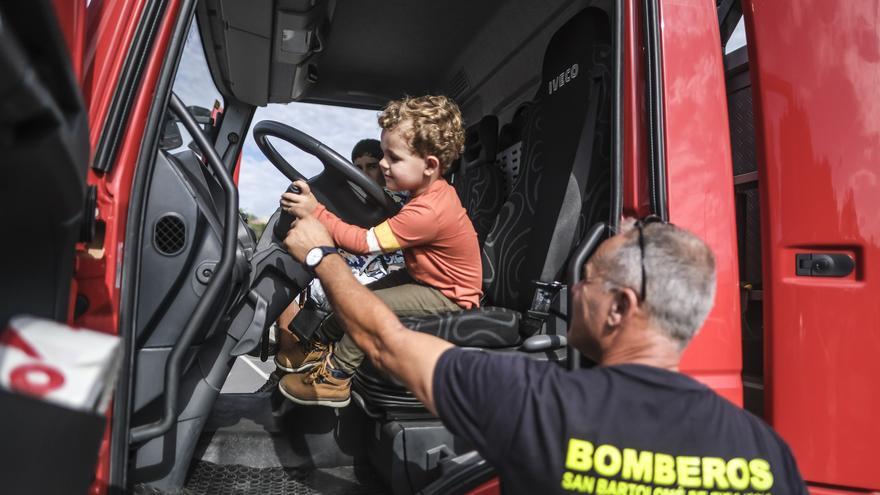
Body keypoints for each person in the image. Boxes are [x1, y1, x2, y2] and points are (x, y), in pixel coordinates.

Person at [281, 214, 808, 494]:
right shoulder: (765, 453)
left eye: (587, 281)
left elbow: (385, 343)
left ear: (620, 308)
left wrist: (323, 255)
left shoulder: (535, 401)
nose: (572, 292)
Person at [277, 95, 482, 407]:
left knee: (367, 305)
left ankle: (336, 376)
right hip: (423, 279)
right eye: (383, 155)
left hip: (450, 296)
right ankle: (316, 346)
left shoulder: (428, 211)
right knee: (353, 294)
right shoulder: (422, 196)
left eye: (393, 158)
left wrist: (317, 212)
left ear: (429, 166)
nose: (384, 164)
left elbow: (362, 242)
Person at [271, 138, 405, 381]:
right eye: (357, 167)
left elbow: (365, 242)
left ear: (385, 169)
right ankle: (282, 374)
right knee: (284, 285)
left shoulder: (398, 205)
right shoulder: (346, 203)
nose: (363, 174)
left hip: (377, 277)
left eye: (371, 166)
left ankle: (318, 374)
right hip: (336, 275)